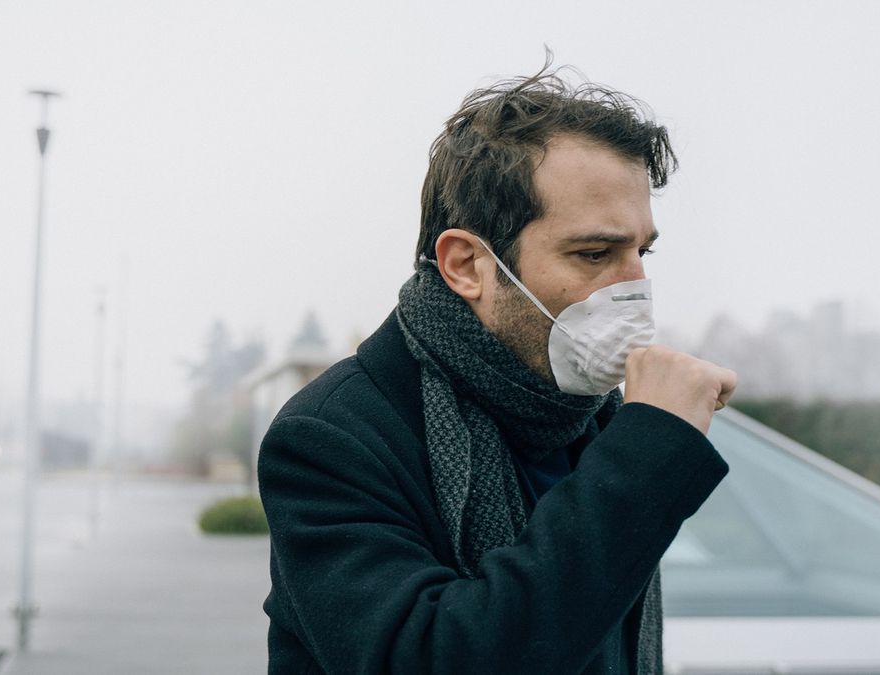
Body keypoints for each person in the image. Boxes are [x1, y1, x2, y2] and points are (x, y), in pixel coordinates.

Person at [257, 58, 738, 675]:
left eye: (640, 251)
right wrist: (646, 456)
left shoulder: (588, 418)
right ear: (466, 265)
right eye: (594, 252)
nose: (635, 289)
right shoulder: (335, 434)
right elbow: (434, 657)